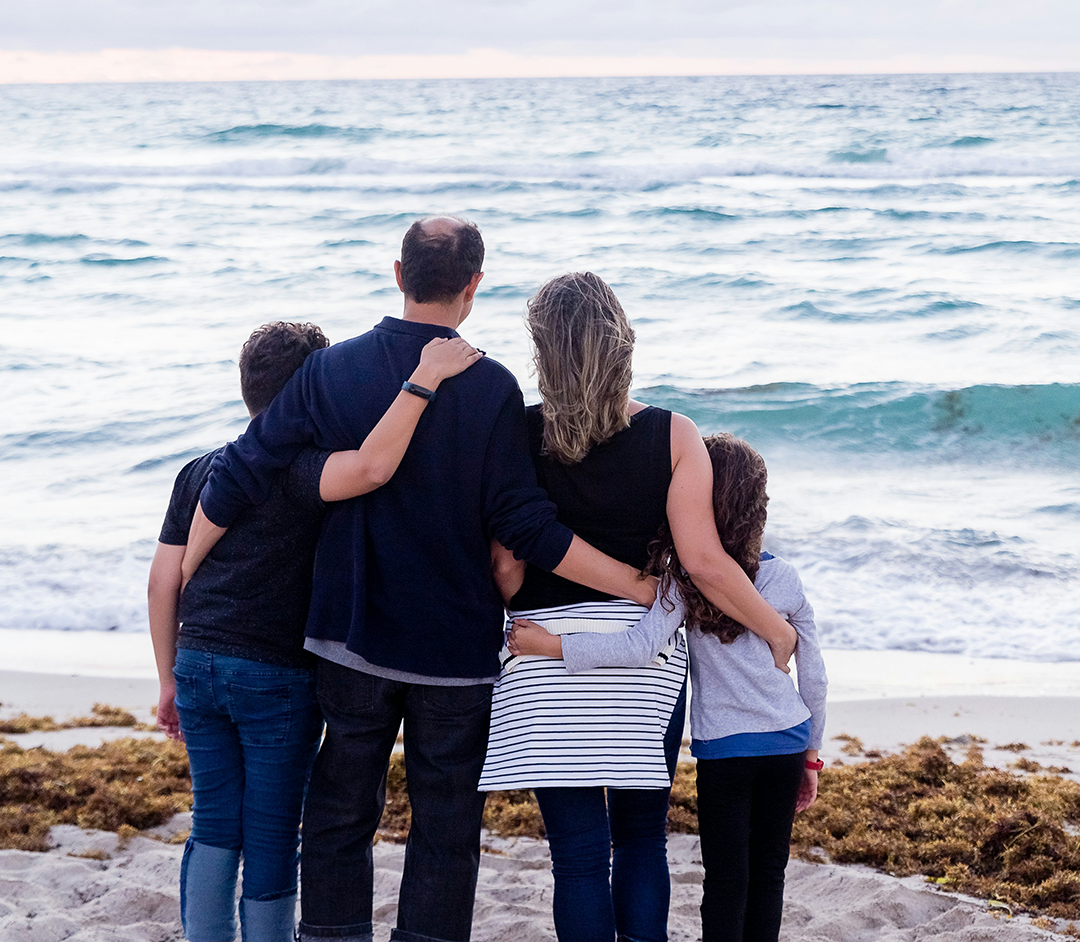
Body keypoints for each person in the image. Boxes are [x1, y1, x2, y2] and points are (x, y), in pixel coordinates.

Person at [182, 218, 660, 942]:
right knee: (445, 824)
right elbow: (524, 526)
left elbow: (246, 469)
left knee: (341, 811)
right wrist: (633, 584)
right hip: (453, 650)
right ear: (472, 286)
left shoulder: (330, 370)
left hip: (348, 637)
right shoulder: (493, 386)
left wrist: (183, 570)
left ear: (398, 274)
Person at [476, 272, 800, 942]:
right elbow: (705, 563)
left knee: (579, 857)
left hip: (543, 656)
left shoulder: (517, 432)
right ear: (622, 342)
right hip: (643, 657)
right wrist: (773, 629)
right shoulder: (674, 434)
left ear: (544, 353)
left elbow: (506, 566)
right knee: (642, 842)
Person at [149, 321, 482, 942]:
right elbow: (375, 467)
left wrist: (168, 677)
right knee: (273, 829)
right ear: (312, 389)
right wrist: (423, 380)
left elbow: (162, 582)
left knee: (215, 822)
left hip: (197, 663)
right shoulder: (303, 473)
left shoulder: (199, 471)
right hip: (275, 676)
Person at [511, 432, 828, 942]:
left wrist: (554, 646)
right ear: (757, 507)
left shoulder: (682, 580)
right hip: (788, 741)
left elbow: (639, 648)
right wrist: (811, 753)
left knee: (725, 878)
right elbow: (814, 675)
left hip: (725, 753)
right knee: (769, 875)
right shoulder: (784, 577)